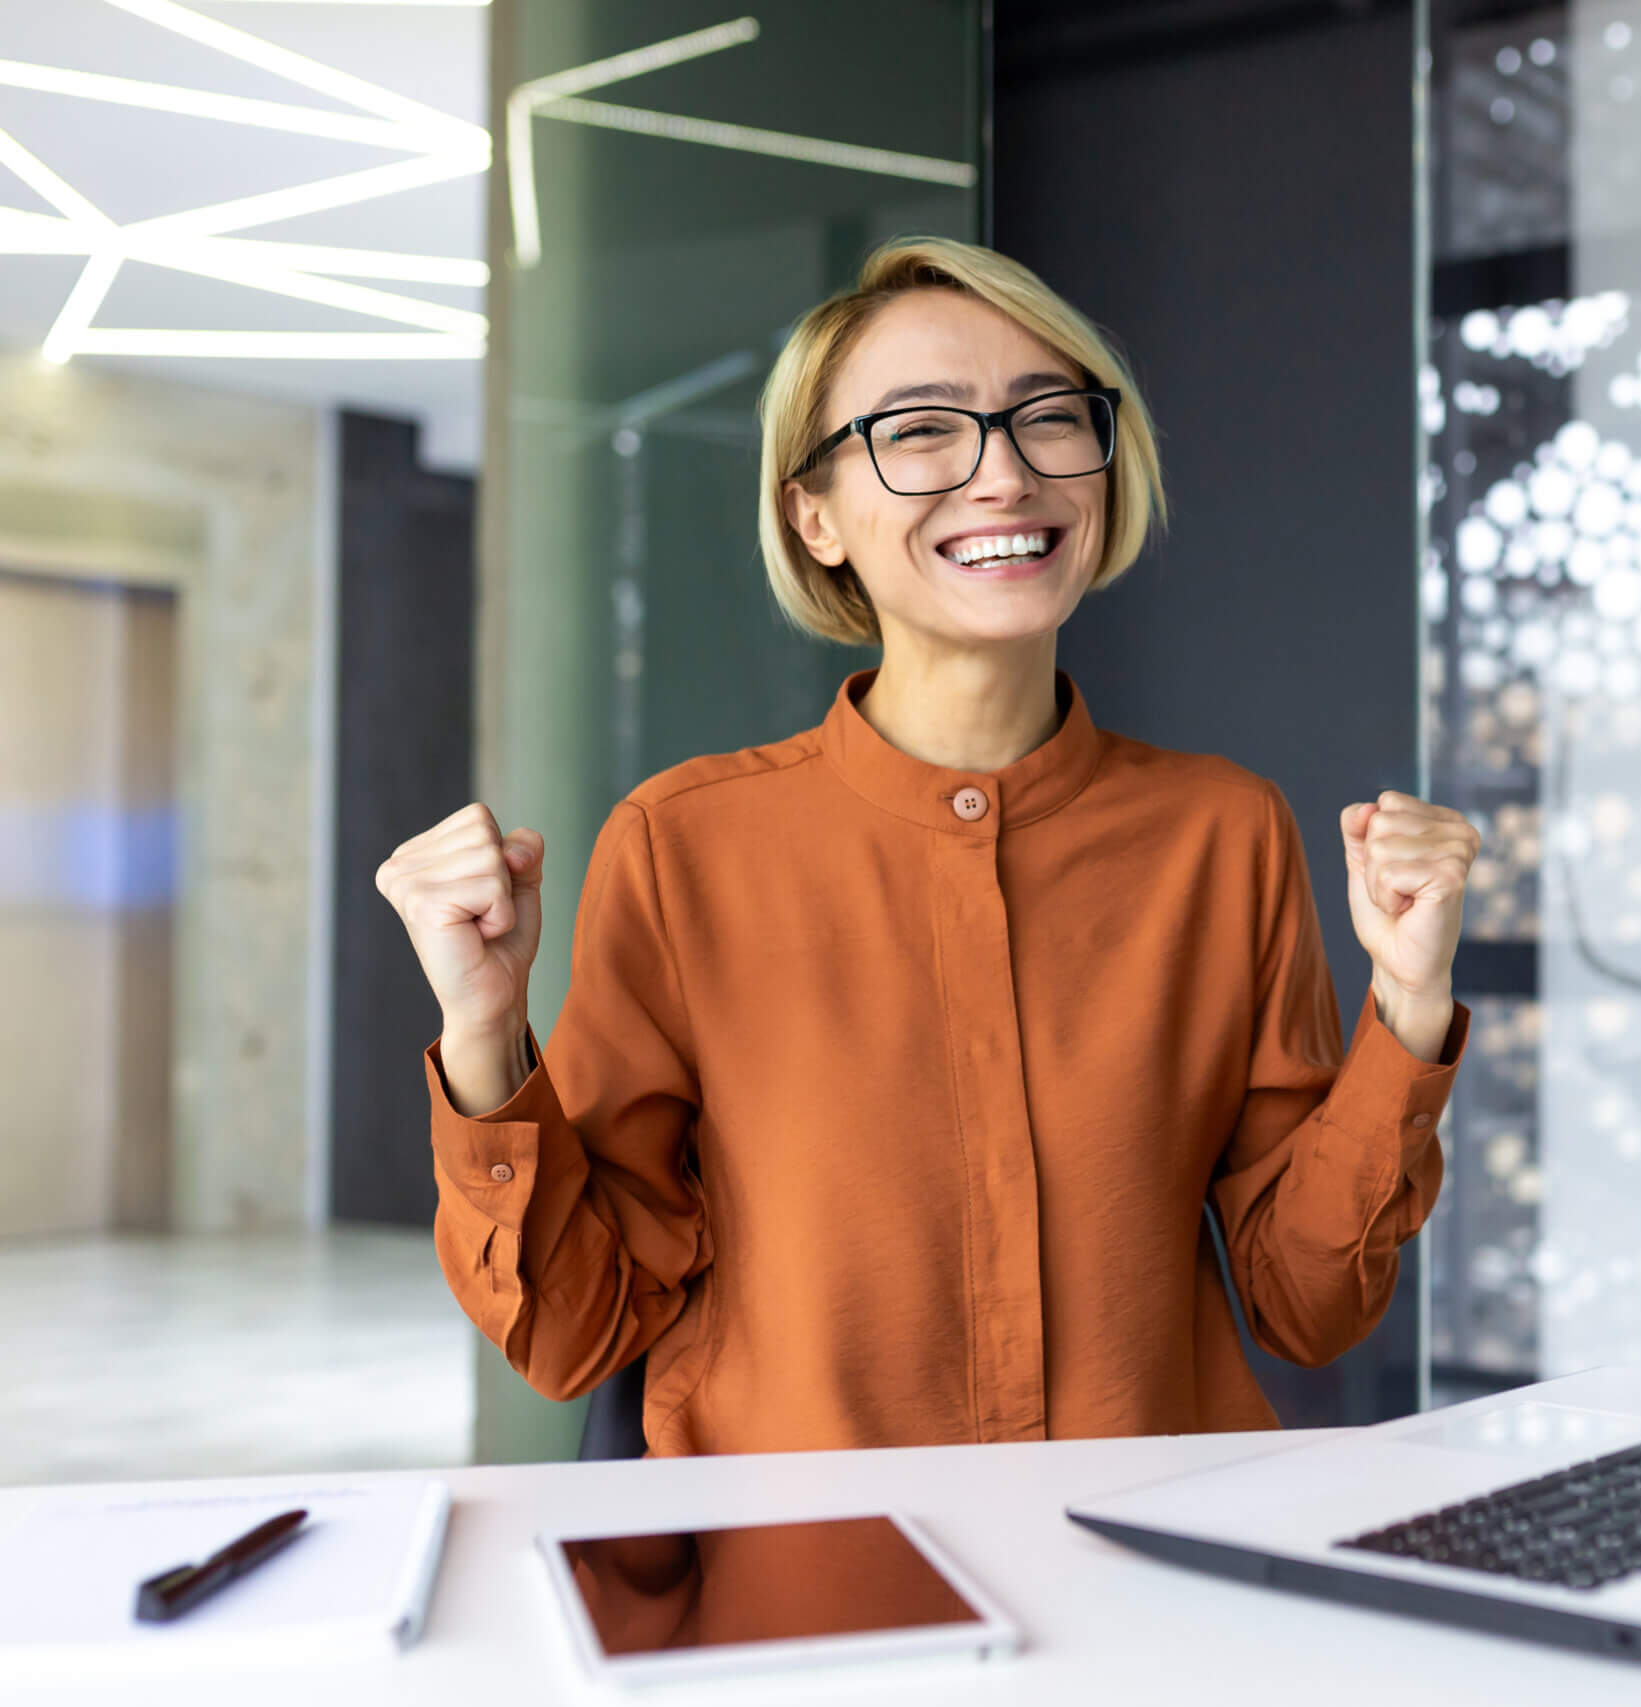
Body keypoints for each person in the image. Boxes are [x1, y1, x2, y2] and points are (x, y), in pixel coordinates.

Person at [375, 238, 1479, 1456]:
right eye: (919, 433)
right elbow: (575, 1332)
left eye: (1048, 418)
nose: (1002, 475)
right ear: (816, 516)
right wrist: (484, 1035)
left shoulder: (1224, 834)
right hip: (802, 1582)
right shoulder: (683, 848)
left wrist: (1410, 1003)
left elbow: (1305, 1302)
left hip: (1139, 1575)